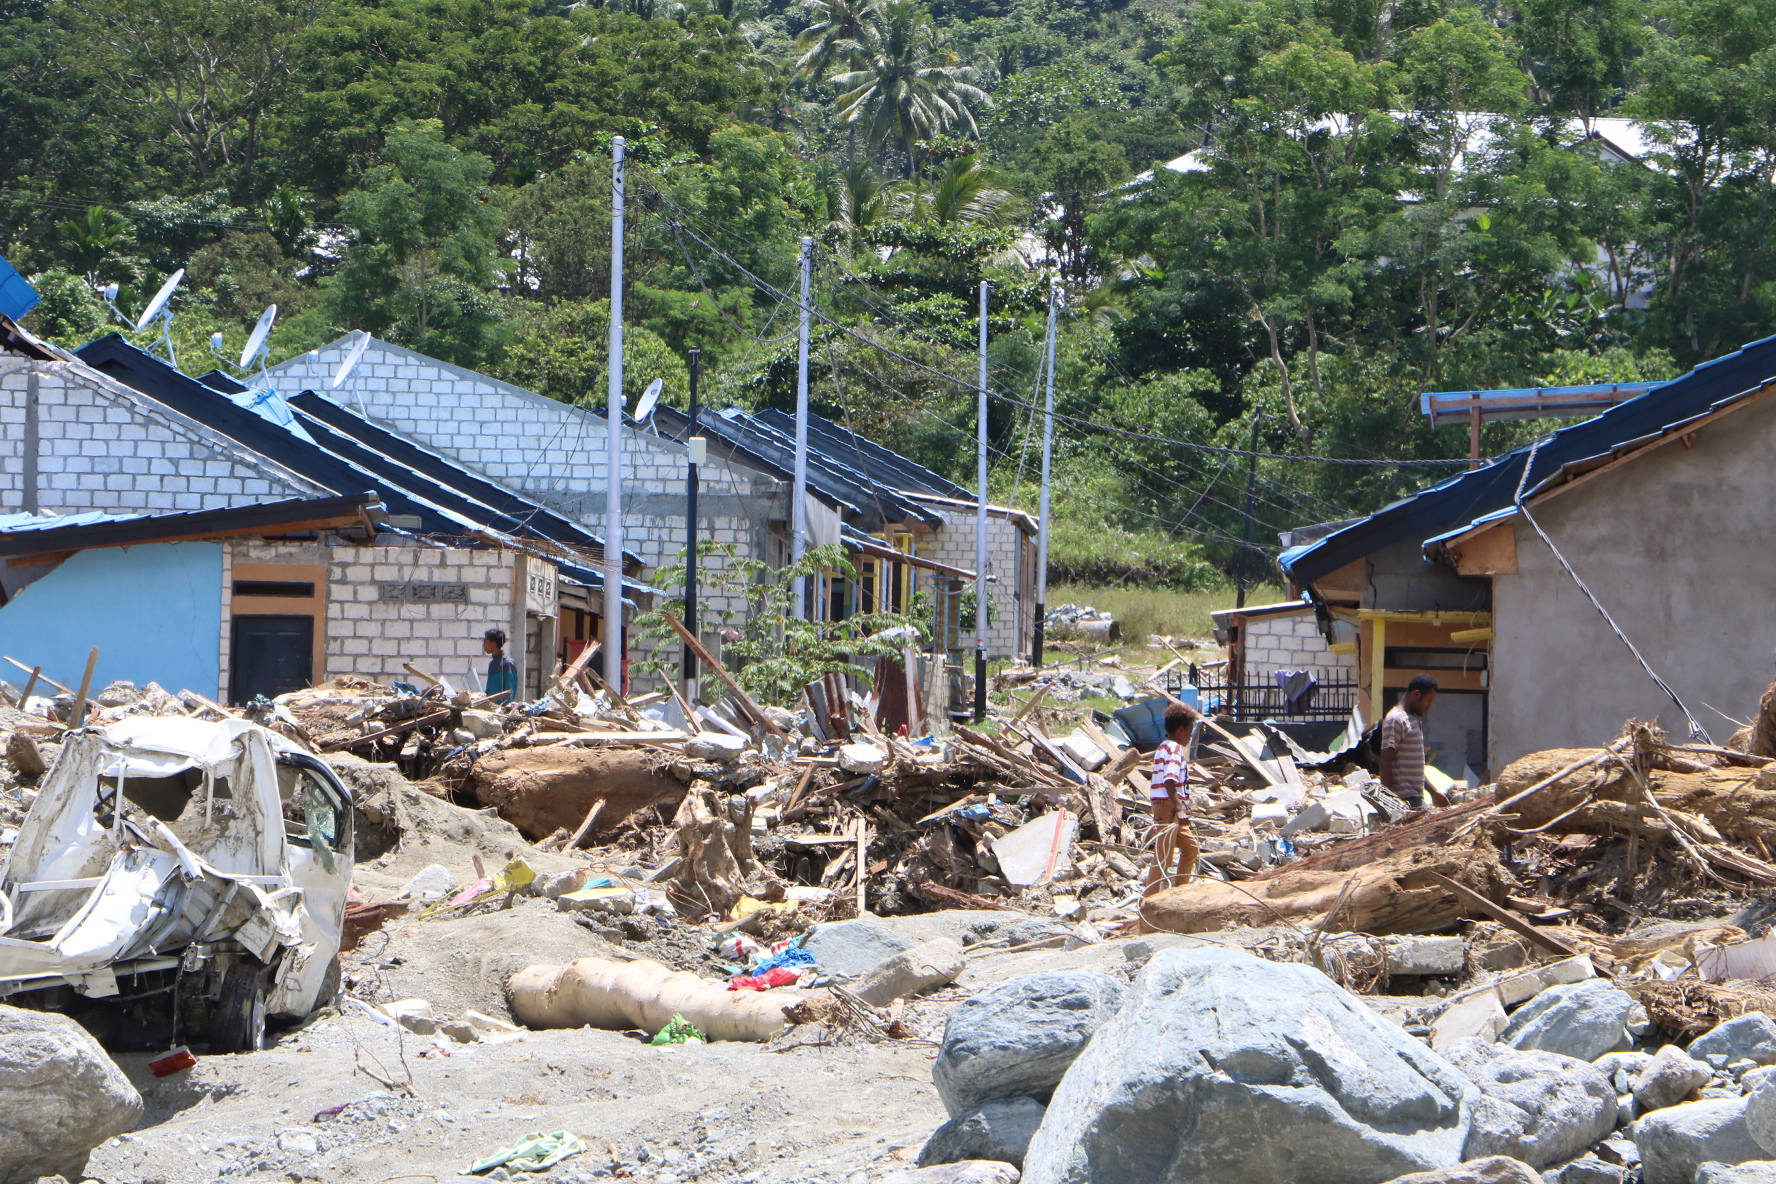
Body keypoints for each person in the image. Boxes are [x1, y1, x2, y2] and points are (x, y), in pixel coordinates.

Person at [1144, 702, 1202, 897]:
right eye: (1190, 731)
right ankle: (1149, 901)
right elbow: (1170, 780)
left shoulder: (1163, 747)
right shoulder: (1175, 749)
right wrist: (1180, 808)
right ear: (1181, 729)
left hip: (1167, 806)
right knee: (1163, 856)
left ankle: (1179, 894)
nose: (1190, 735)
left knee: (1190, 848)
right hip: (1168, 806)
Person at [1380, 673, 1448, 810]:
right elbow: (1386, 760)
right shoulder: (1395, 719)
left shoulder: (1412, 720)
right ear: (1417, 694)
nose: (1429, 706)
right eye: (1428, 701)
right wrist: (1387, 803)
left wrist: (1433, 792)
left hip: (1414, 799)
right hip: (1403, 802)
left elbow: (1414, 768)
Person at [483, 627, 518, 704]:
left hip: (501, 711)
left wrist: (505, 710)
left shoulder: (508, 663)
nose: (483, 645)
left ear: (493, 644)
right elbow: (489, 690)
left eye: (485, 642)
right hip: (491, 709)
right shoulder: (492, 664)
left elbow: (510, 691)